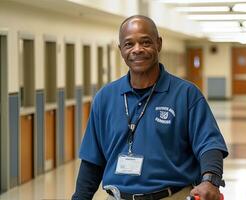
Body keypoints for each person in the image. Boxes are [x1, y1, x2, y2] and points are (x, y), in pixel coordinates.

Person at [72, 15, 228, 200]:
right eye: (129, 44)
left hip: (172, 196)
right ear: (121, 49)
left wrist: (210, 180)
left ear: (158, 43)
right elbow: (92, 162)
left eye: (145, 42)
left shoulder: (186, 94)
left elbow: (209, 144)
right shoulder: (105, 98)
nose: (137, 49)